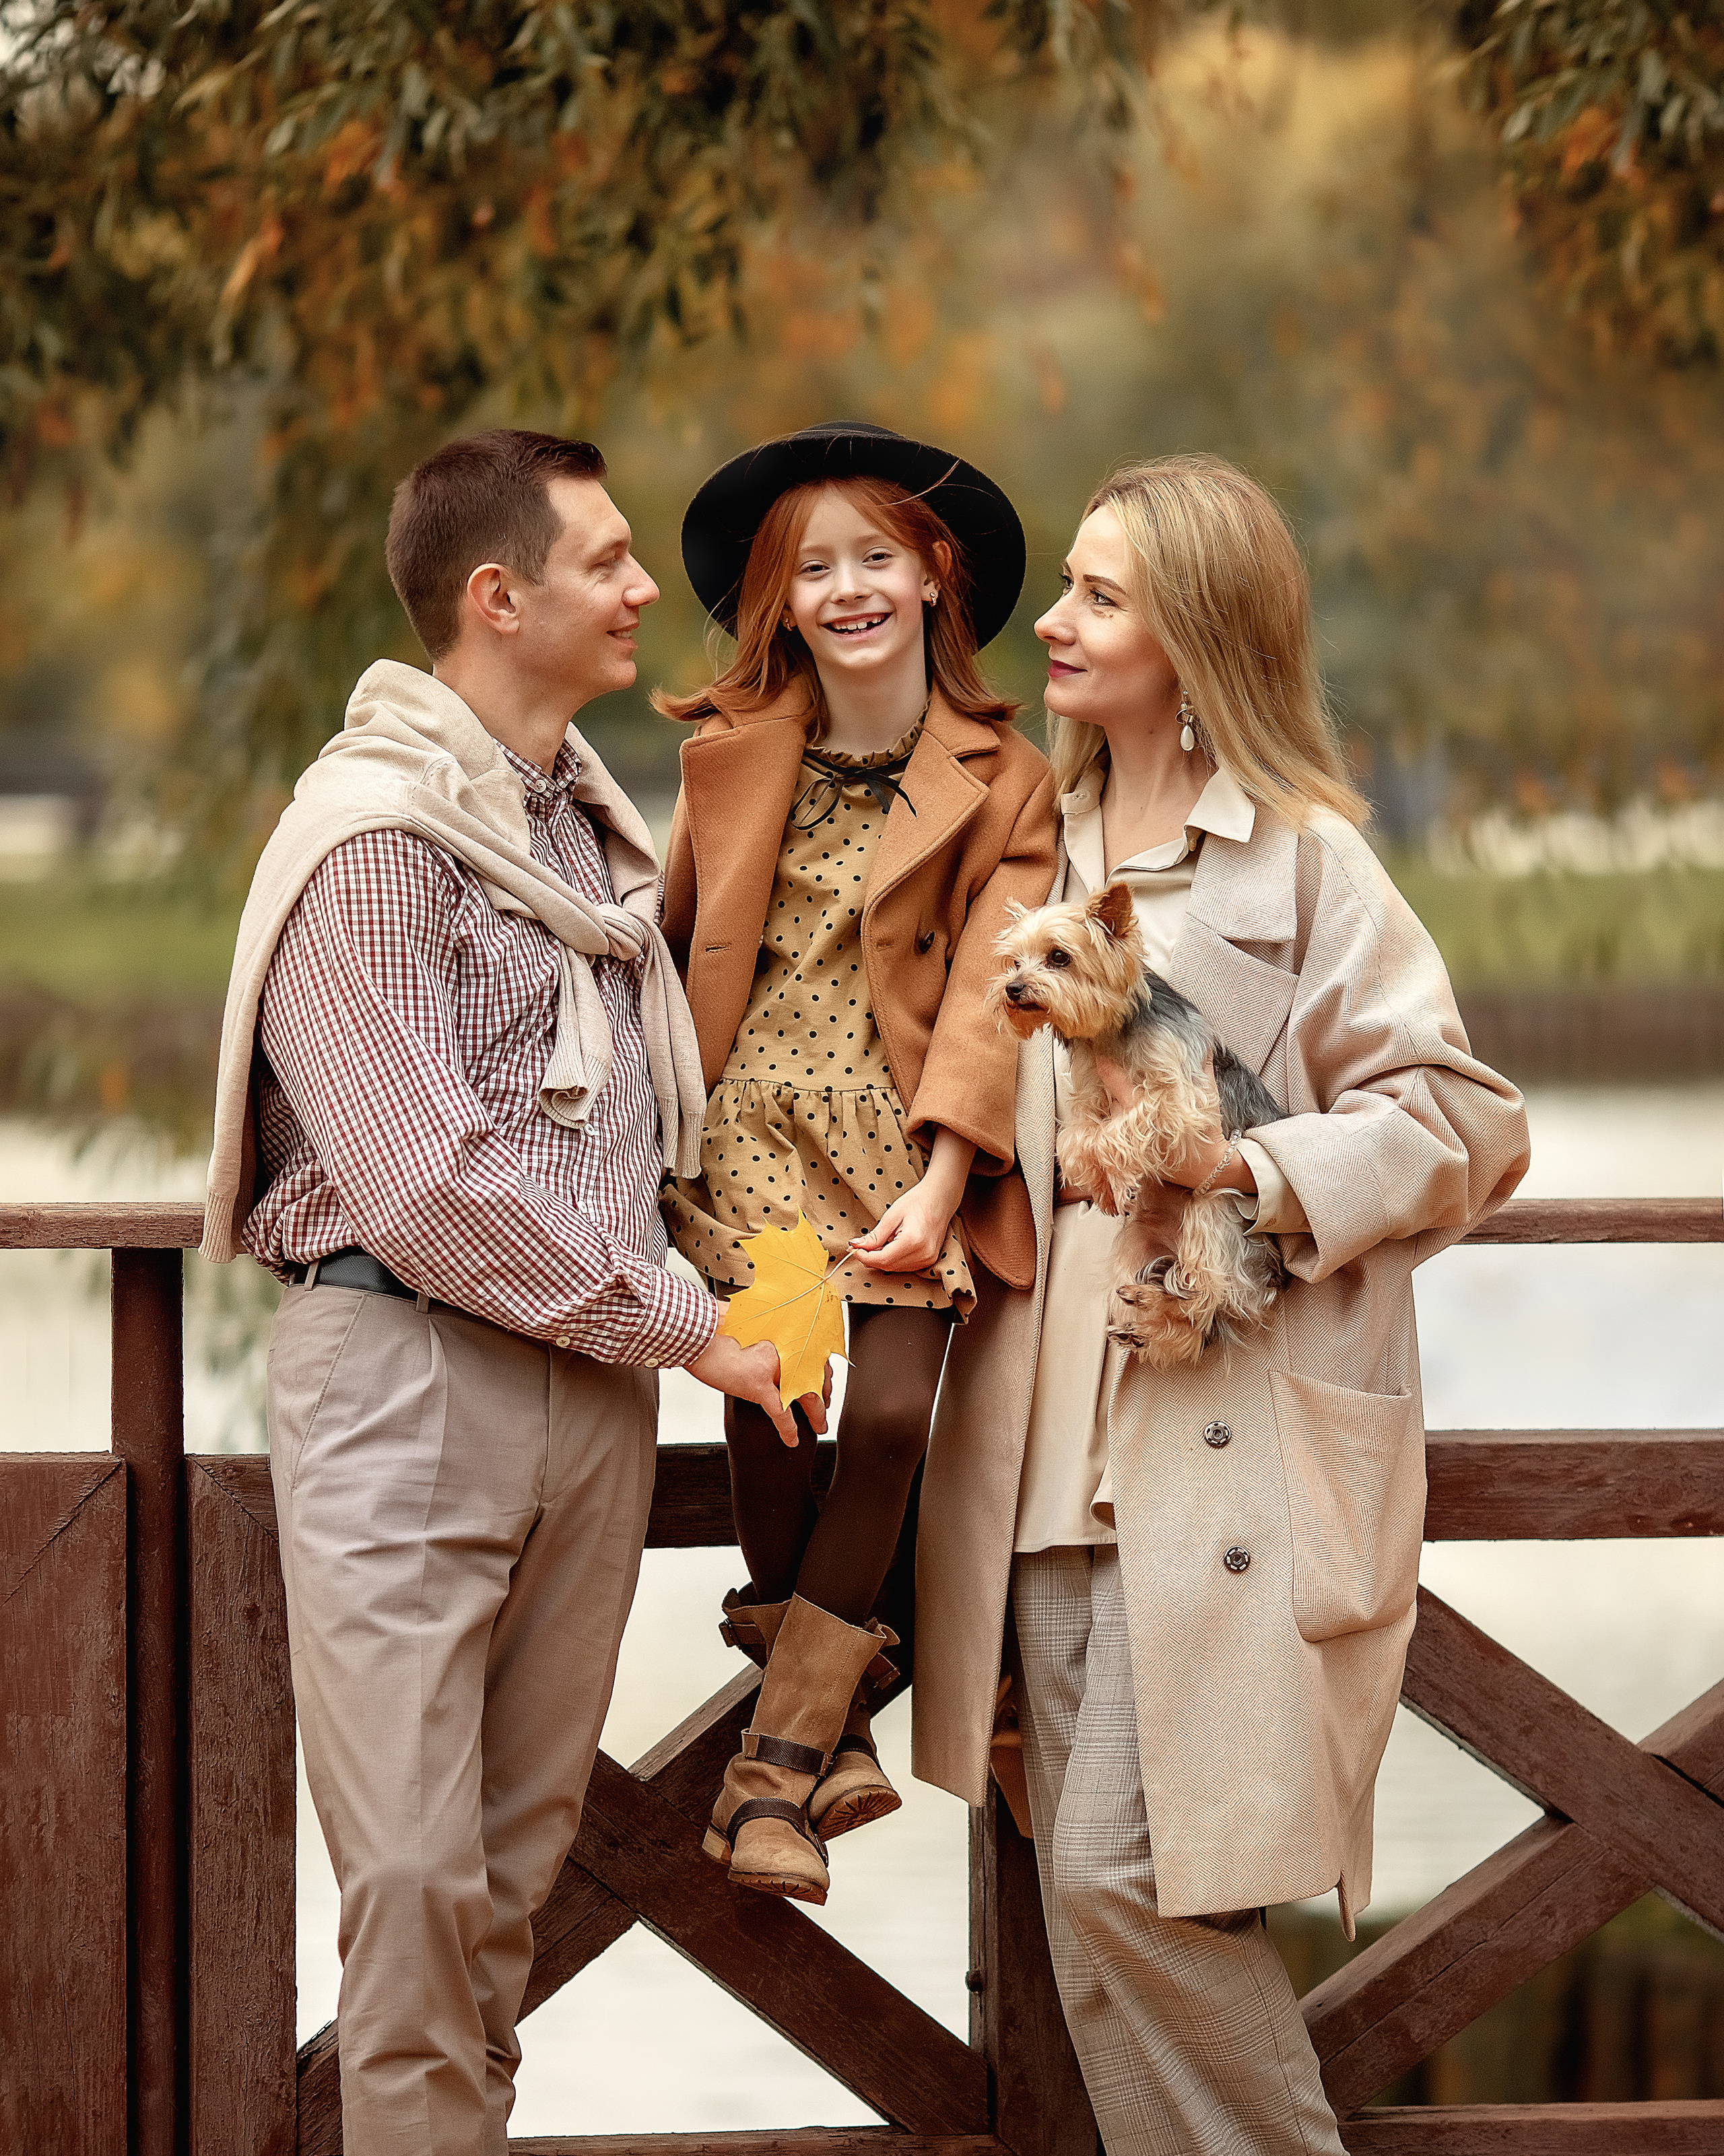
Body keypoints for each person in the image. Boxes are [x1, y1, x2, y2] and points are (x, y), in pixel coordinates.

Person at [910, 452, 1531, 2155]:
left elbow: (1464, 1122)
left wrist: (1244, 1174)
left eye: (1099, 595)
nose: (1051, 618)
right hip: (1033, 1470)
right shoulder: (1009, 845)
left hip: (1227, 1456)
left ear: (1193, 637)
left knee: (1132, 1884)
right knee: (1093, 1925)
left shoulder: (1304, 864)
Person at [199, 429, 806, 2156]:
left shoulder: (586, 837)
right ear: (497, 595)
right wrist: (695, 1328)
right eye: (606, 561)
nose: (638, 590)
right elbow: (423, 1179)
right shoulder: (374, 839)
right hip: (402, 1370)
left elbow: (635, 1136)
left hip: (589, 1393)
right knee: (406, 1873)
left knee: (507, 1882)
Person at [657, 421, 1058, 1906]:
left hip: (901, 1146)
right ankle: (803, 1759)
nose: (845, 588)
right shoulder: (727, 758)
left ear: (934, 572)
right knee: (783, 1398)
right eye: (809, 567)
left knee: (889, 1415)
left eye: (872, 556)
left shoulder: (1007, 779)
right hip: (752, 1132)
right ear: (775, 598)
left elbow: (995, 993)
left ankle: (783, 1751)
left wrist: (951, 1174)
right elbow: (667, 958)